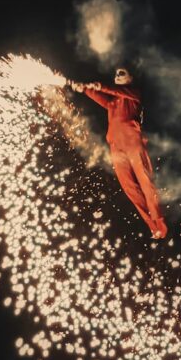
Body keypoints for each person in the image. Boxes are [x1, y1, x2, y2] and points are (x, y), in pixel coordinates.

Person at [70, 67, 168, 239]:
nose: (117, 76)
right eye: (115, 74)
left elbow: (112, 90)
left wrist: (99, 86)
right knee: (129, 187)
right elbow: (103, 98)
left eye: (122, 73)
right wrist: (84, 89)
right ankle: (152, 226)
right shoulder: (113, 102)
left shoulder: (133, 94)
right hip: (116, 147)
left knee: (145, 182)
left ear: (131, 78)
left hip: (133, 143)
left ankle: (159, 221)